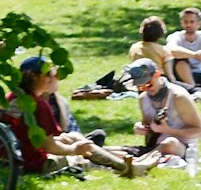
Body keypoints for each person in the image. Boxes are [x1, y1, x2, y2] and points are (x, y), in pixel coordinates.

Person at [8, 57, 150, 177]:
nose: (53, 78)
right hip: (35, 164)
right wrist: (74, 150)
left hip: (12, 158)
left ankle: (127, 165)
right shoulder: (39, 105)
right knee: (83, 158)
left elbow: (27, 135)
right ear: (34, 77)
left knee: (75, 136)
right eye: (48, 75)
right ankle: (128, 169)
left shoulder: (11, 98)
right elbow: (50, 147)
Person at [125, 56, 201, 159]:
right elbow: (149, 127)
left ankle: (140, 161)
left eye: (149, 85)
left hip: (181, 147)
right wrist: (141, 127)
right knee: (111, 151)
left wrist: (168, 130)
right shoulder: (143, 98)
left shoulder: (178, 97)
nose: (146, 90)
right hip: (155, 147)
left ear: (157, 75)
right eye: (141, 87)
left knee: (169, 143)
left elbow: (199, 131)